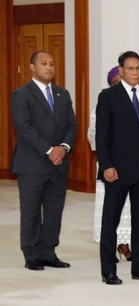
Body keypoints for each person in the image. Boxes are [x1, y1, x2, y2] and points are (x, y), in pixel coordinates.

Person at [96, 51, 139, 285]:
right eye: (131, 68)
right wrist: (106, 166)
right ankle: (109, 270)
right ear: (121, 71)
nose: (135, 72)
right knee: (110, 220)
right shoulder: (108, 96)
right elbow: (102, 136)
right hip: (118, 169)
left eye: (138, 68)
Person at [11, 51, 78, 271]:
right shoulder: (21, 94)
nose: (49, 67)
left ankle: (48, 252)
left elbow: (72, 125)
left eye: (52, 63)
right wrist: (50, 150)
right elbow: (24, 127)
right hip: (32, 164)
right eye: (43, 64)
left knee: (53, 211)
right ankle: (31, 255)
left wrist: (64, 148)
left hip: (59, 164)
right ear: (32, 67)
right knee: (30, 211)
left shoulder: (62, 94)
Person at [88, 66, 132, 261]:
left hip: (131, 164)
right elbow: (95, 136)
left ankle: (125, 244)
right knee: (110, 208)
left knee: (129, 207)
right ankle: (109, 246)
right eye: (115, 82)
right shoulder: (103, 102)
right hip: (109, 163)